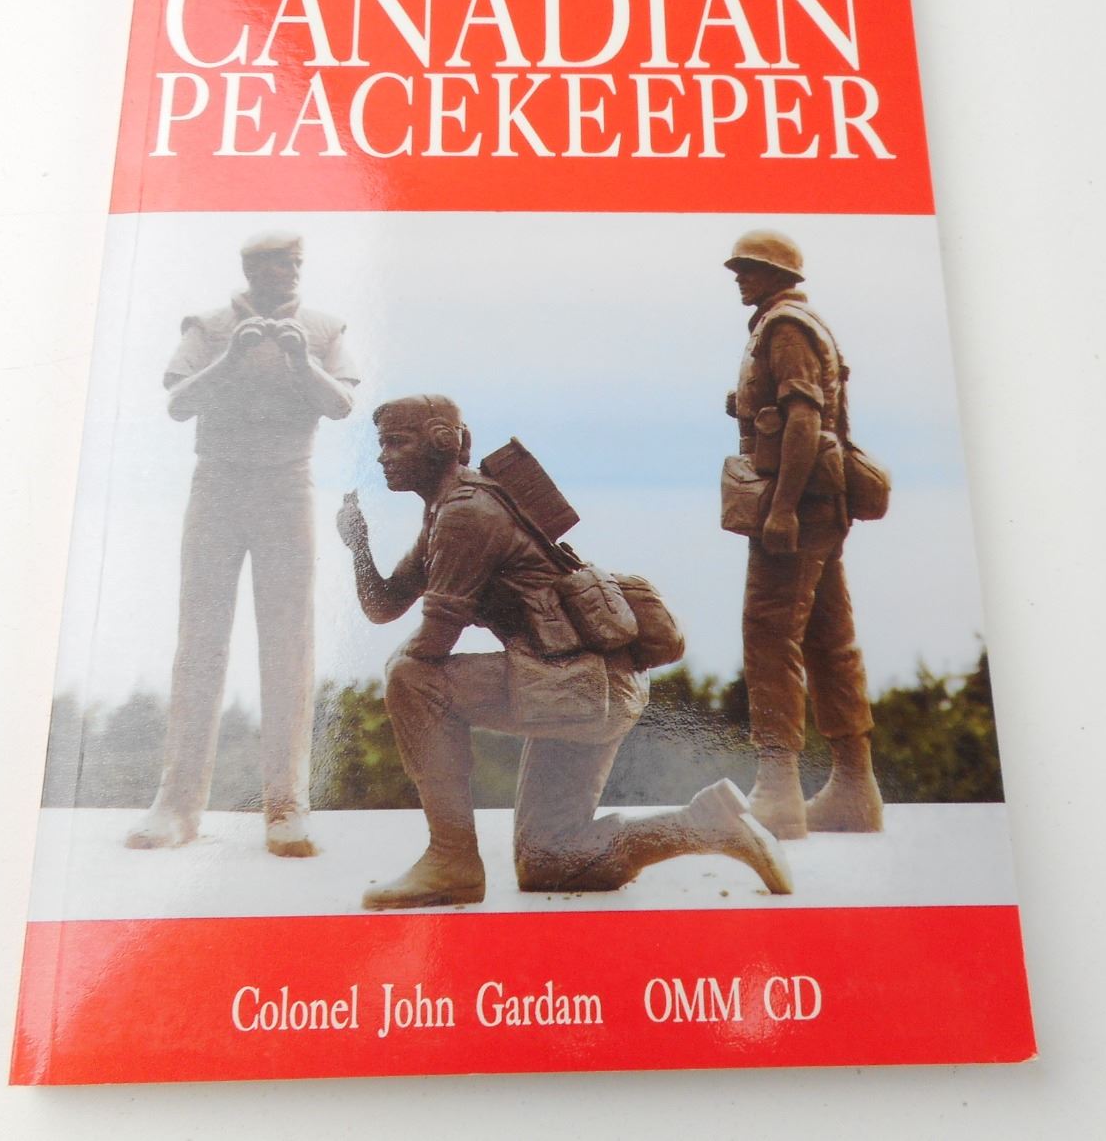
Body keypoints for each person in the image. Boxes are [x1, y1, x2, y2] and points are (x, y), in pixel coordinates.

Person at [336, 395, 792, 909]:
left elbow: (434, 641)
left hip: (578, 686)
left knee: (410, 679)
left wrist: (406, 676)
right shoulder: (449, 508)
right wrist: (359, 547)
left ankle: (451, 858)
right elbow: (384, 605)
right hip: (584, 685)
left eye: (396, 443)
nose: (383, 457)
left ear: (442, 442)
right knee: (550, 859)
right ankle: (706, 825)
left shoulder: (466, 513)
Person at [126, 230, 358, 855]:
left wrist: (301, 360)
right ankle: (177, 805)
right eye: (279, 263)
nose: (291, 272)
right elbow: (178, 404)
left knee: (289, 645)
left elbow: (342, 405)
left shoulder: (323, 328)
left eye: (296, 263)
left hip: (287, 487)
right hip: (218, 486)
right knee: (200, 641)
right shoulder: (208, 326)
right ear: (253, 269)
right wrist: (232, 356)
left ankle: (286, 806)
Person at [723, 229, 886, 840]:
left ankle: (778, 789)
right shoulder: (796, 324)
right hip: (823, 502)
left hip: (799, 503)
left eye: (749, 268)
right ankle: (854, 789)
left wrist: (783, 508)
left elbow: (805, 421)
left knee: (769, 634)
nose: (740, 278)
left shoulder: (785, 328)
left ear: (777, 274)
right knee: (827, 639)